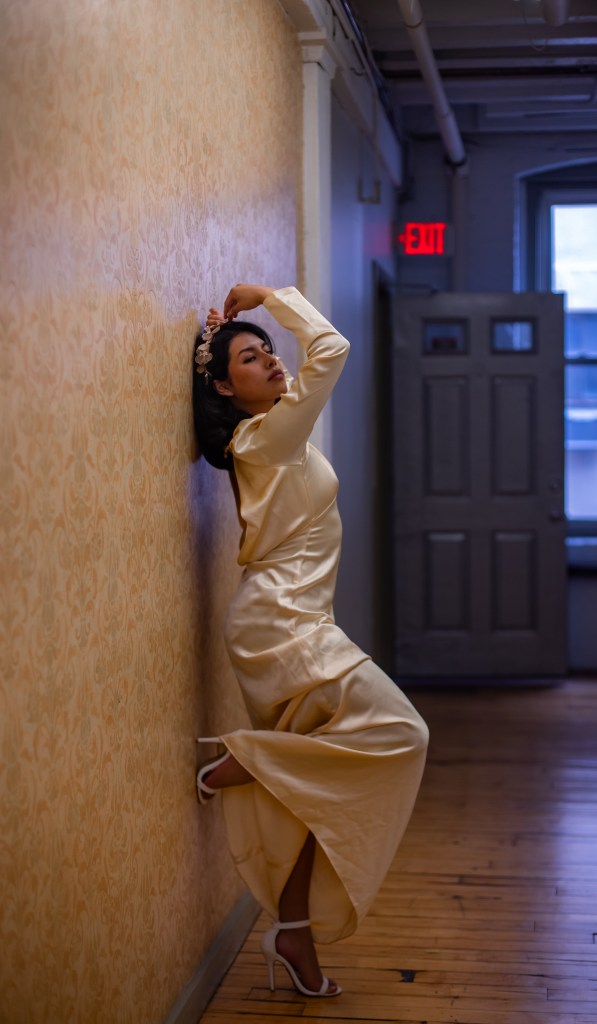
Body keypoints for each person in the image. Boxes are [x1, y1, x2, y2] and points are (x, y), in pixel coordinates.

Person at [192, 283, 428, 999]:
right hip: (286, 627)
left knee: (314, 794)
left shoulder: (270, 432)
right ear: (224, 389)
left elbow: (300, 364)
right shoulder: (268, 436)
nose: (271, 361)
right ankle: (246, 760)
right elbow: (332, 346)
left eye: (268, 352)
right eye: (251, 359)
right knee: (403, 733)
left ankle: (294, 930)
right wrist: (268, 296)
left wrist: (225, 337)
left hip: (288, 624)